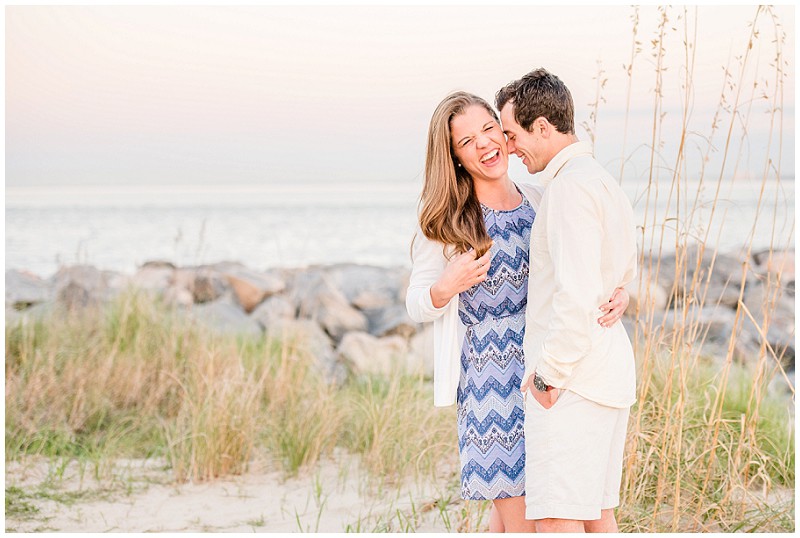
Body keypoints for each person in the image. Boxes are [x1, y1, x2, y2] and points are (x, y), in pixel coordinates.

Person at [405, 91, 630, 532]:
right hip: (491, 381)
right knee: (518, 511)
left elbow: (582, 264)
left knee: (551, 506)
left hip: (547, 367)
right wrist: (444, 287)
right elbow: (416, 304)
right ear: (454, 157)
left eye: (489, 129)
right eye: (466, 141)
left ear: (505, 132)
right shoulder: (446, 220)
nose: (484, 145)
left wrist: (620, 290)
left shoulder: (540, 197)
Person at [495, 68, 638, 533]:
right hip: (605, 372)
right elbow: (620, 271)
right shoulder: (597, 179)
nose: (509, 147)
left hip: (573, 381)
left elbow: (576, 294)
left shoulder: (570, 188)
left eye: (513, 135)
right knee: (597, 517)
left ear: (543, 127)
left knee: (557, 520)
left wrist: (548, 376)